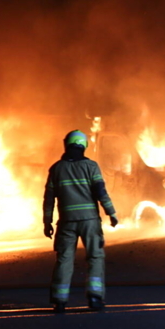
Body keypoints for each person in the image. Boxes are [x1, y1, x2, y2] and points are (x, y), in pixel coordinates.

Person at [42, 130, 119, 313]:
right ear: (84, 145)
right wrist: (111, 212)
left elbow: (49, 198)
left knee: (64, 259)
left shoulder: (56, 168)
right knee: (95, 257)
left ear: (66, 144)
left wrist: (47, 222)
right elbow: (100, 192)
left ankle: (59, 301)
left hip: (67, 222)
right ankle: (94, 298)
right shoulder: (91, 166)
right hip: (90, 221)